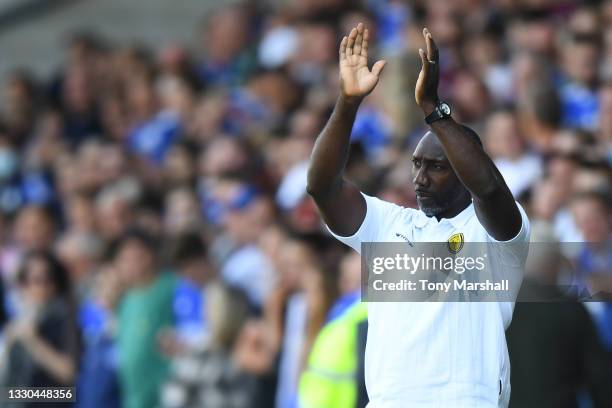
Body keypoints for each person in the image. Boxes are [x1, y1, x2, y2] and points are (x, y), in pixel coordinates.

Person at [306, 23, 530, 407]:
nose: (419, 179)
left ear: (464, 167)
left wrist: (433, 110)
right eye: (416, 165)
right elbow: (322, 187)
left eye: (436, 167)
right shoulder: (390, 224)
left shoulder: (495, 233)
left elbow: (489, 189)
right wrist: (347, 102)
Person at [1, 251, 79, 408]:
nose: (38, 287)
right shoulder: (18, 321)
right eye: (31, 280)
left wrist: (33, 340)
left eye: (45, 280)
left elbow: (68, 378)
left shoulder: (64, 319)